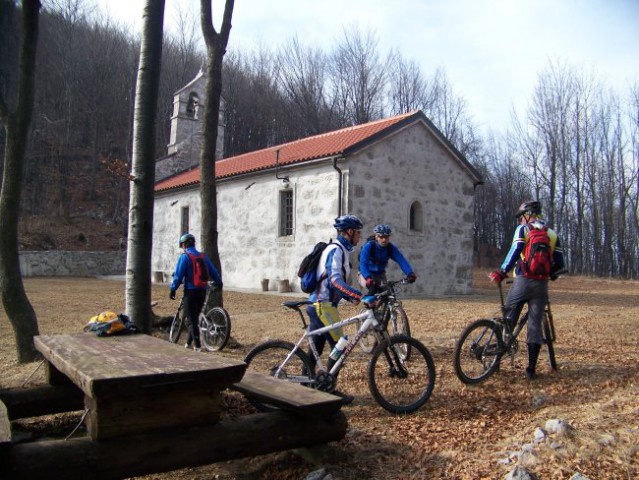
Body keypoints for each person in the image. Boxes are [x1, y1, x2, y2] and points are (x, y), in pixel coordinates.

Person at [489, 200, 565, 380]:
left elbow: (515, 251)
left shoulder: (523, 230)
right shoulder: (552, 234)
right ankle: (531, 370)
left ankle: (496, 362)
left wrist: (502, 271)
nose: (520, 220)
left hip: (522, 281)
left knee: (509, 319)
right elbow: (560, 264)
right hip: (541, 286)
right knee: (534, 326)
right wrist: (550, 274)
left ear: (528, 214)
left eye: (521, 217)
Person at [306, 215, 365, 405]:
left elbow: (333, 283)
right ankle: (330, 390)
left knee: (315, 348)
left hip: (320, 305)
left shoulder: (341, 251)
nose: (359, 237)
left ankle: (304, 385)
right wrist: (355, 293)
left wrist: (347, 296)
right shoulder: (336, 250)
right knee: (340, 346)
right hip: (323, 306)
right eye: (358, 233)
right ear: (349, 232)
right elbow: (334, 280)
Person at [170, 233, 222, 351]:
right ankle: (188, 344)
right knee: (195, 318)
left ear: (184, 244)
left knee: (191, 321)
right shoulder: (203, 256)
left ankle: (197, 346)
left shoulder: (185, 257)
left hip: (190, 292)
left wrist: (173, 289)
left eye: (182, 245)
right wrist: (218, 281)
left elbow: (178, 276)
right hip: (202, 291)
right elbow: (213, 271)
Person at [358, 224, 417, 294]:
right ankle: (368, 305)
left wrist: (410, 273)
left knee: (388, 292)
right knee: (373, 288)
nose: (384, 239)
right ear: (376, 237)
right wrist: (367, 278)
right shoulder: (369, 247)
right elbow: (363, 263)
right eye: (381, 237)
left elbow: (401, 260)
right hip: (365, 273)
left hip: (380, 274)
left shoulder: (390, 248)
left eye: (386, 237)